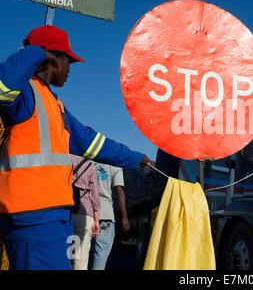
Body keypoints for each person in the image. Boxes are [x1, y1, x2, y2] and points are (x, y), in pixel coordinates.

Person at [0, 25, 152, 270]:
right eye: (68, 60)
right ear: (53, 58)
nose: (70, 69)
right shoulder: (26, 94)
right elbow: (2, 86)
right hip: (31, 215)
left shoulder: (55, 105)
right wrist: (35, 53)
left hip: (55, 215)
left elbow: (91, 142)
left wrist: (135, 158)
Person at [90, 162, 128, 270]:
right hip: (105, 213)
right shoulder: (115, 164)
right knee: (100, 254)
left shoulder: (87, 159)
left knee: (80, 254)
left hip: (85, 211)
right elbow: (119, 191)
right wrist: (124, 216)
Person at [71, 154, 100, 270]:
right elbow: (95, 196)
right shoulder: (90, 166)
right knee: (80, 259)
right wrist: (96, 220)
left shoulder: (64, 159)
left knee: (68, 255)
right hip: (83, 214)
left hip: (65, 213)